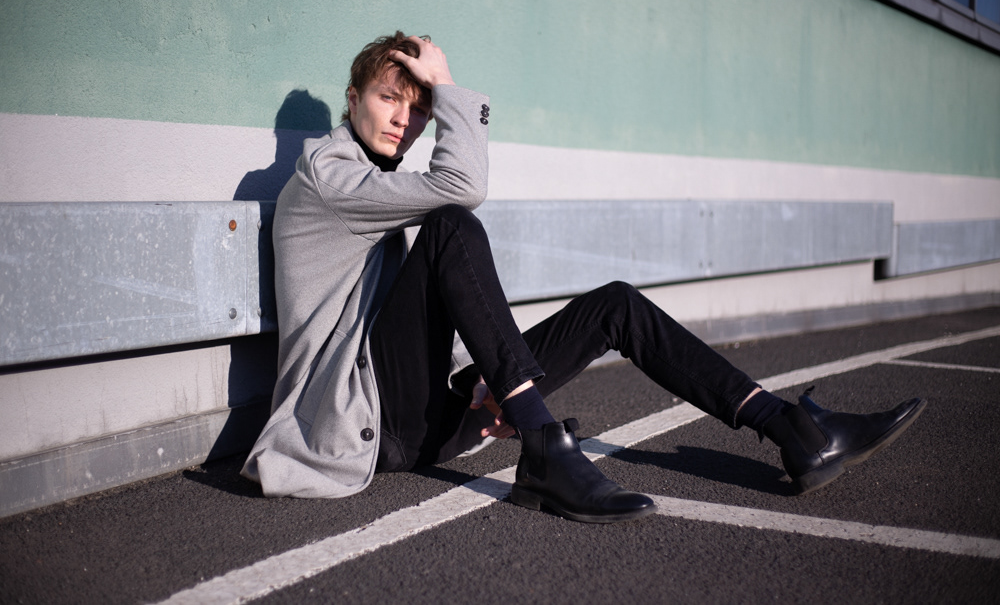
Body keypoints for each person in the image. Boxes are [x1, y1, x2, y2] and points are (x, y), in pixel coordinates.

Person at [241, 32, 926, 523]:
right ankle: (542, 446)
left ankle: (790, 429)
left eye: (419, 107)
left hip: (422, 414)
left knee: (615, 306)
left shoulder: (374, 186)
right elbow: (462, 187)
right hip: (362, 424)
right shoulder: (328, 177)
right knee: (452, 225)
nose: (405, 118)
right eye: (390, 98)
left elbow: (397, 319)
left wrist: (477, 380)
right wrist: (446, 84)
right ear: (352, 97)